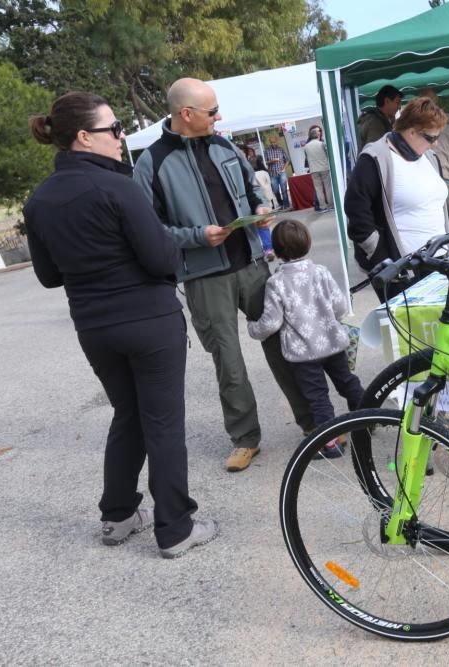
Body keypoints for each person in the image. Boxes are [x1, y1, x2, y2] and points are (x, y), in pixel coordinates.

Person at [24, 91, 216, 558]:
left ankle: (117, 515)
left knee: (128, 415)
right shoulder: (119, 187)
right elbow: (160, 256)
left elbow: (50, 276)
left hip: (95, 327)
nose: (120, 136)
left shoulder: (39, 200)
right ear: (85, 137)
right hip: (148, 321)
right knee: (163, 422)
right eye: (113, 129)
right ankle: (175, 529)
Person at [133, 77, 314, 473]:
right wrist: (197, 237)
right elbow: (147, 227)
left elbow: (251, 188)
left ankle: (313, 423)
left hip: (252, 264)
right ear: (186, 114)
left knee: (286, 345)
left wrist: (261, 207)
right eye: (212, 111)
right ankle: (245, 438)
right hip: (203, 278)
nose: (219, 117)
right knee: (228, 361)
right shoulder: (151, 162)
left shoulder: (225, 145)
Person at [247, 220, 364, 459]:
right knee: (347, 382)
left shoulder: (276, 282)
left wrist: (252, 328)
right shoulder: (320, 272)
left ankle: (330, 443)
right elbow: (340, 306)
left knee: (318, 397)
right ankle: (367, 418)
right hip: (332, 342)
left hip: (303, 353)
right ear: (308, 243)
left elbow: (271, 322)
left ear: (277, 252)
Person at [344, 96, 449, 303]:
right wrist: (381, 256)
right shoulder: (375, 157)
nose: (435, 144)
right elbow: (356, 211)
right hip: (402, 269)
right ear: (412, 131)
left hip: (438, 260)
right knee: (414, 332)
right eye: (431, 138)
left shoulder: (427, 156)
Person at [243, 145, 276, 260]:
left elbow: (256, 188)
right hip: (245, 206)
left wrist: (262, 204)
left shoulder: (249, 170)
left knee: (262, 226)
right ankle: (260, 251)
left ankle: (268, 249)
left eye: (245, 154)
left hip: (256, 202)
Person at [357, 84, 402, 151]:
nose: (399, 107)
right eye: (397, 103)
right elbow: (376, 152)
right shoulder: (375, 123)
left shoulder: (380, 120)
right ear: (387, 101)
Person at [303, 127, 331, 213]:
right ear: (317, 135)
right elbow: (327, 154)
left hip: (313, 169)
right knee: (328, 187)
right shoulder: (322, 144)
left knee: (318, 188)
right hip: (324, 167)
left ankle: (323, 207)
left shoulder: (306, 146)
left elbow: (307, 158)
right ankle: (331, 205)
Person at [264, 133, 291, 209]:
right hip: (272, 174)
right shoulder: (267, 151)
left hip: (281, 172)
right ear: (270, 142)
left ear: (276, 141)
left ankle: (286, 205)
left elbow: (287, 160)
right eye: (271, 142)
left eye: (274, 142)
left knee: (284, 189)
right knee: (275, 191)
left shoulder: (281, 149)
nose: (273, 144)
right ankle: (281, 203)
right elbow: (265, 162)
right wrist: (272, 161)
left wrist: (284, 168)